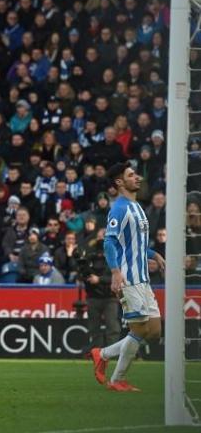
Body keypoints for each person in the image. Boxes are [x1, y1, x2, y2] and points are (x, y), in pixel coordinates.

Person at [90, 161, 166, 392]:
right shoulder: (120, 209)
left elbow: (136, 243)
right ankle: (117, 379)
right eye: (132, 175)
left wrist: (155, 254)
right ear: (120, 182)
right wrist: (115, 272)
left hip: (143, 278)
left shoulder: (138, 207)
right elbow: (109, 242)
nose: (138, 178)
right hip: (129, 277)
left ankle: (102, 354)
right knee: (140, 329)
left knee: (154, 330)